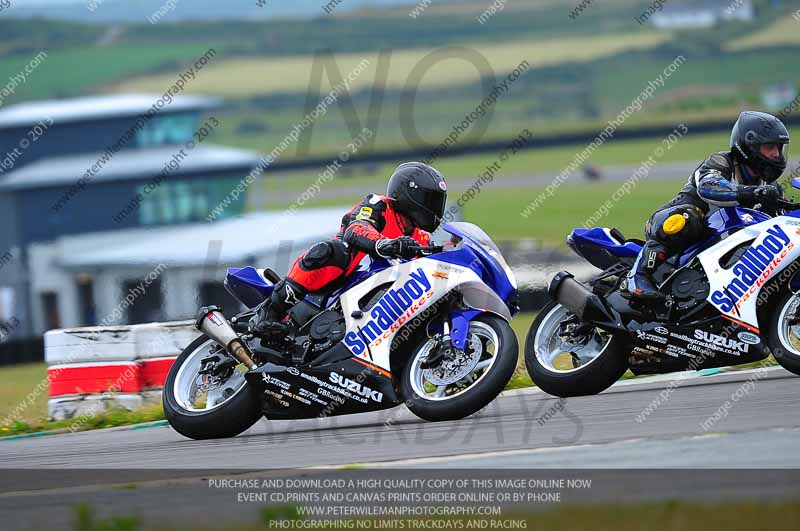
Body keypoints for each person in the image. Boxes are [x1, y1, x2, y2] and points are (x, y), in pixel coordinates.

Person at [255, 161, 448, 333]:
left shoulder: (421, 237)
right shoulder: (378, 204)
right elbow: (357, 227)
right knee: (331, 251)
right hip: (341, 281)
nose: (435, 208)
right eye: (430, 200)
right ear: (409, 194)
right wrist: (385, 244)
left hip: (381, 296)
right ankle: (270, 311)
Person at [624, 111, 790, 301]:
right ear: (749, 146)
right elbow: (709, 186)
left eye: (779, 148)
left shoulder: (770, 187)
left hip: (713, 244)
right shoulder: (721, 162)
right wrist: (750, 194)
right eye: (770, 147)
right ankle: (637, 276)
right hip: (669, 224)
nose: (776, 155)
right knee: (688, 218)